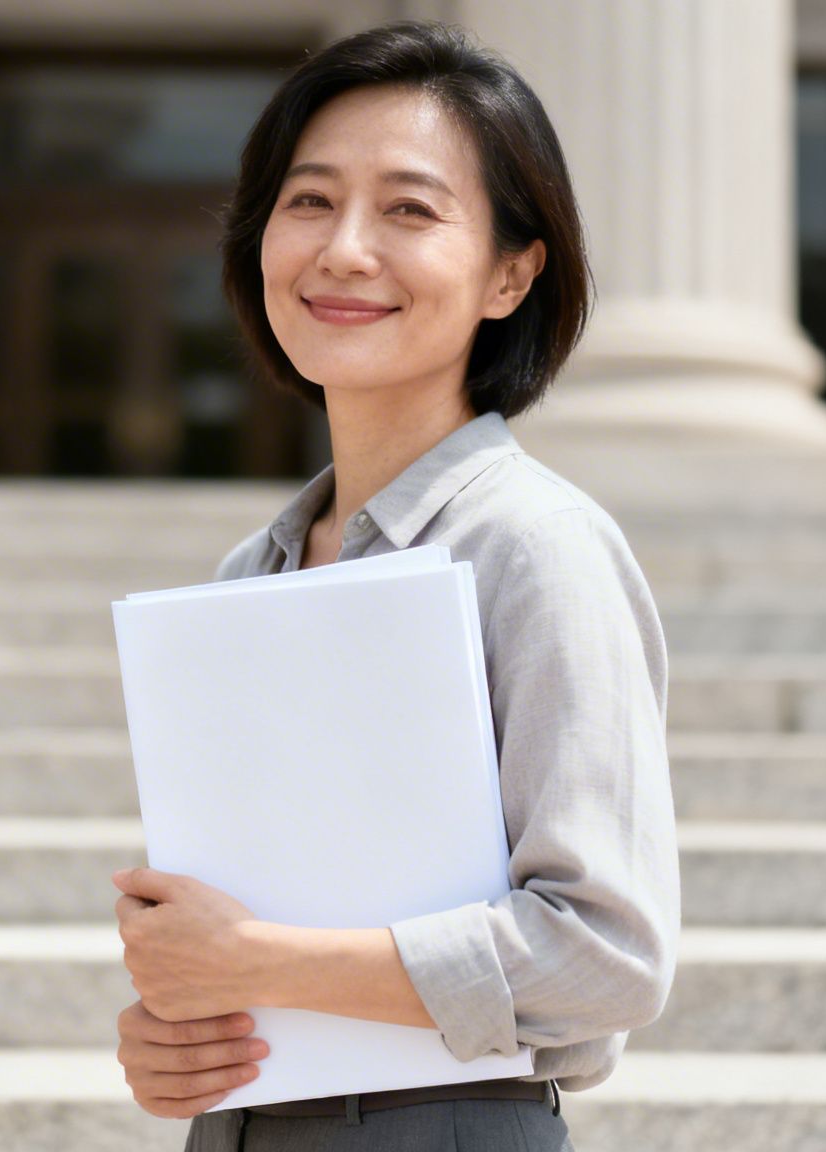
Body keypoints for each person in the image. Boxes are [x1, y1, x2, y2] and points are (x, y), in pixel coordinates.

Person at [110, 19, 680, 1151]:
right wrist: (171, 1034)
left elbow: (606, 959)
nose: (343, 249)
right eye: (309, 201)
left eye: (409, 210)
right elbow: (241, 933)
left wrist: (255, 961)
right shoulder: (248, 576)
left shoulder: (536, 546)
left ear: (511, 272)